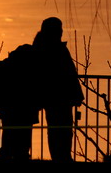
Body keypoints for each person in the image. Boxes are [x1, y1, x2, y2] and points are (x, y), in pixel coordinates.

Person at [32, 17, 83, 162]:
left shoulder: (43, 47)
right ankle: (62, 157)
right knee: (61, 129)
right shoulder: (54, 49)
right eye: (59, 28)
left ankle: (61, 156)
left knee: (58, 129)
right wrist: (76, 94)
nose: (61, 31)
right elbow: (67, 74)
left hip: (56, 97)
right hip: (59, 97)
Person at [0, 44, 40, 160]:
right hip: (25, 109)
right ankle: (20, 156)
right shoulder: (30, 68)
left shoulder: (2, 66)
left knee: (8, 134)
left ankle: (7, 156)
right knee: (23, 138)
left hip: (8, 108)